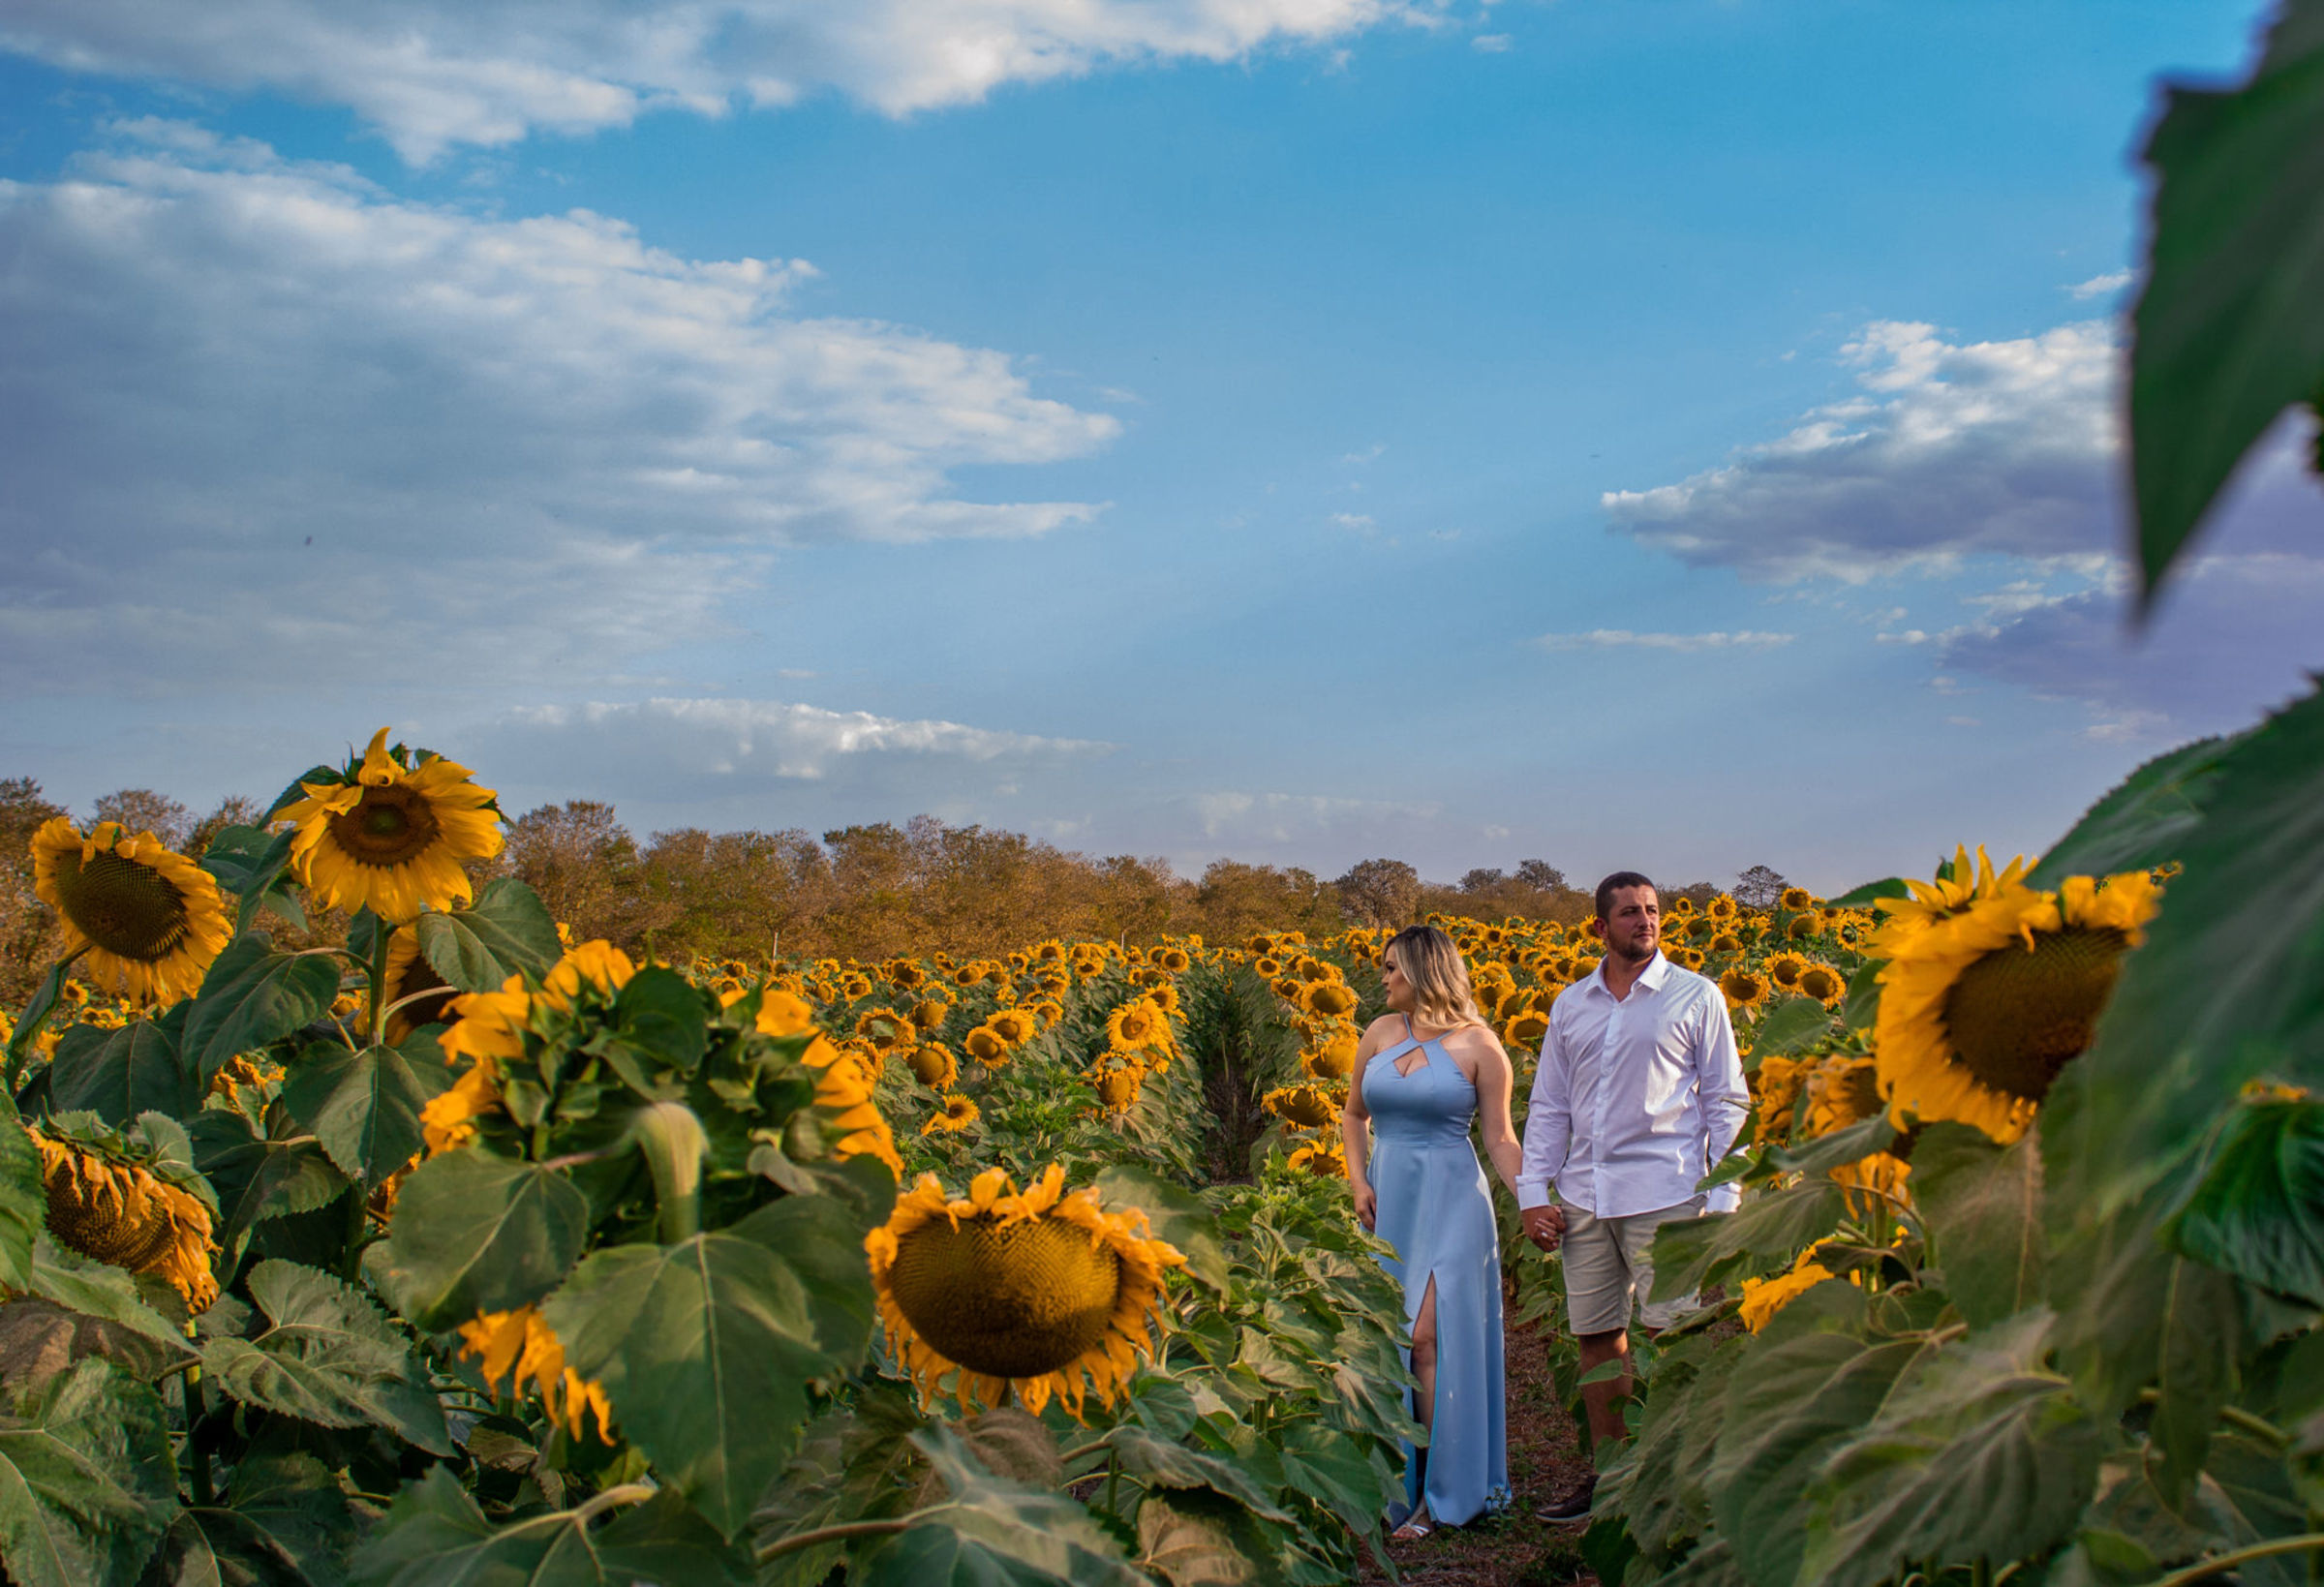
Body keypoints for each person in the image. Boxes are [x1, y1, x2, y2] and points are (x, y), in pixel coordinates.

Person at [1516, 872, 1748, 1523]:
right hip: (1585, 1196)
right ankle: (1612, 1477)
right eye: (1628, 912)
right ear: (1599, 927)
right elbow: (1551, 1104)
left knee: (1672, 1335)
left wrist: (1724, 1201)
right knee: (1597, 1337)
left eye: (1651, 910)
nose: (1644, 921)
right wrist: (1534, 1190)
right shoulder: (1572, 1005)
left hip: (1667, 1192)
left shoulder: (1695, 996)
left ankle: (1679, 1479)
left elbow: (1727, 1104)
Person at [1340, 923, 1522, 1541]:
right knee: (1388, 1339)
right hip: (1389, 1199)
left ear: (1422, 970)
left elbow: (1499, 1138)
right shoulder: (1379, 1032)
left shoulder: (1481, 1047)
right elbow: (1353, 1114)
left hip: (1452, 1201)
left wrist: (1535, 1198)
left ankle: (1439, 1495)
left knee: (1426, 1338)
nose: (1383, 978)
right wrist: (1358, 1181)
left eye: (1392, 967)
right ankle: (1392, 1485)